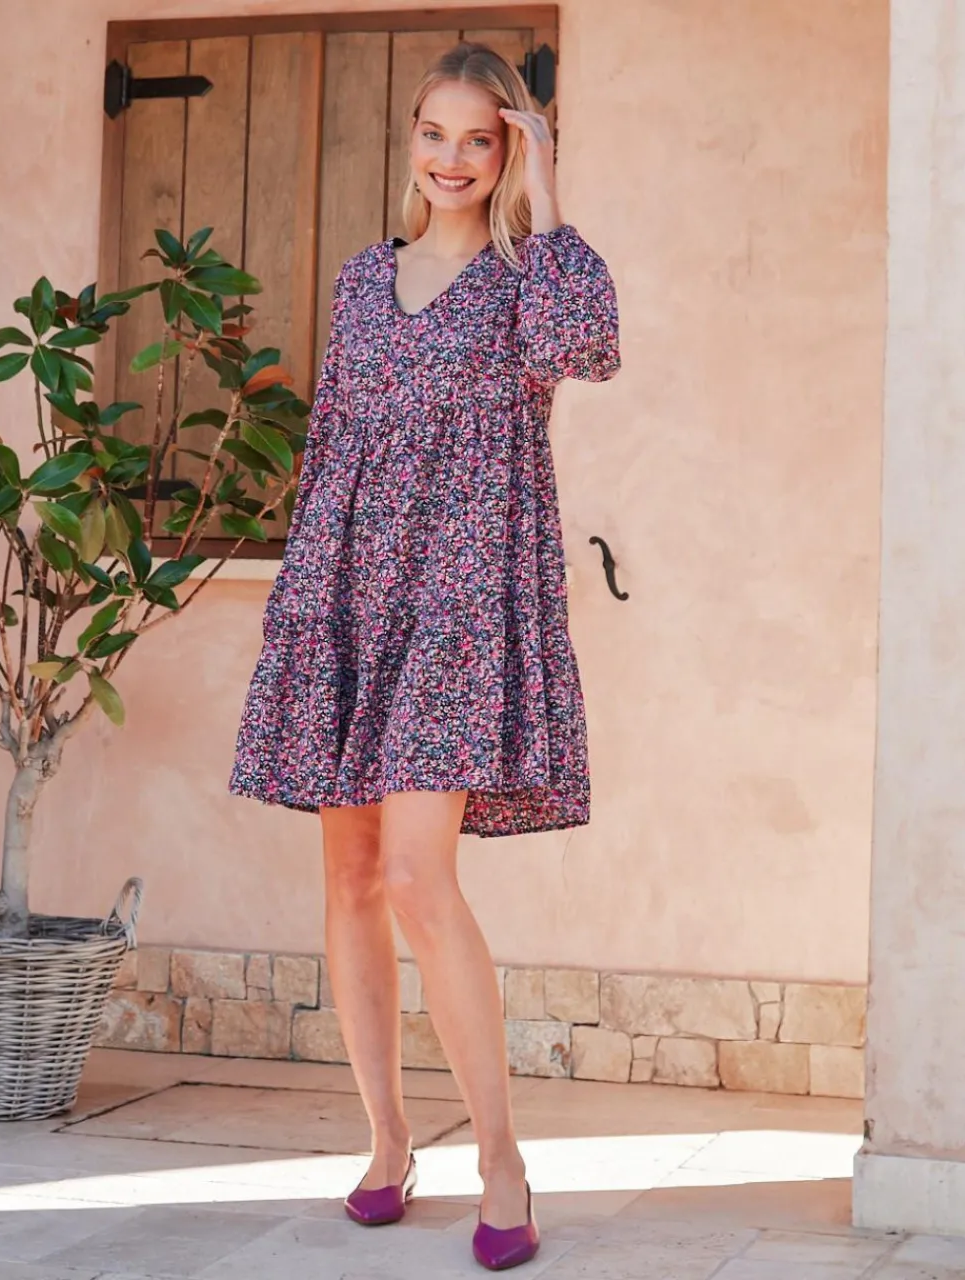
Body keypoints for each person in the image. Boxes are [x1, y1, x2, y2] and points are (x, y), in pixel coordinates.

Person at [230, 41, 620, 1272]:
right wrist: (304, 602)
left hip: (458, 598)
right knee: (349, 876)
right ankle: (389, 1141)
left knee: (414, 873)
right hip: (349, 590)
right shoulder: (360, 281)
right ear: (409, 138)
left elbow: (590, 348)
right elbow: (333, 447)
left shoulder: (528, 282)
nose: (452, 159)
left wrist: (548, 191)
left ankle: (501, 1156)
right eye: (433, 133)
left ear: (509, 150)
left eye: (480, 139)